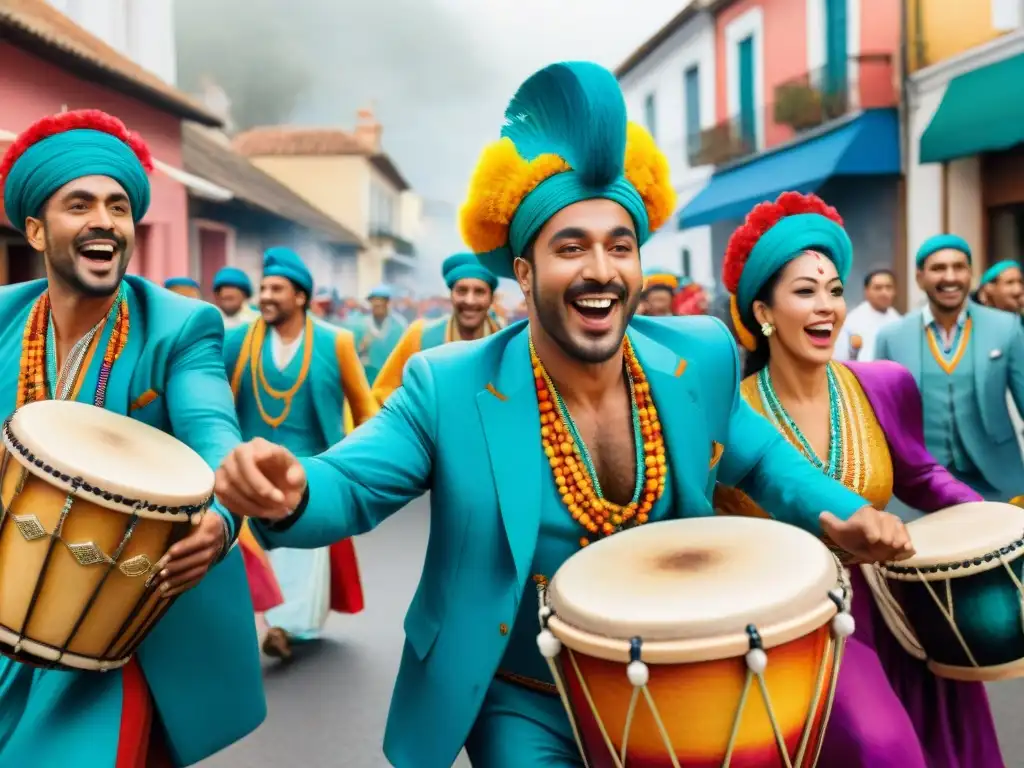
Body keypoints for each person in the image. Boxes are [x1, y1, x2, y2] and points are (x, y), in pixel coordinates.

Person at [213, 61, 912, 768]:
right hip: (523, 694)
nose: (600, 270)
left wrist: (836, 510)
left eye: (620, 246)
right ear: (522, 272)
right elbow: (352, 484)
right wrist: (293, 488)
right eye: (570, 247)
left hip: (675, 677)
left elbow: (759, 457)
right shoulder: (447, 386)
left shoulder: (699, 356)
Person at [0, 110, 264, 766]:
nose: (105, 221)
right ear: (35, 228)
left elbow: (215, 435)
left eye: (119, 206)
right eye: (79, 204)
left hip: (123, 620)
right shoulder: (4, 318)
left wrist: (222, 515)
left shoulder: (180, 326)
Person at [714, 191, 1002, 768]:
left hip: (899, 608)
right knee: (882, 747)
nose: (828, 307)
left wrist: (999, 527)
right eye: (804, 292)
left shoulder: (881, 385)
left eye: (834, 291)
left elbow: (923, 476)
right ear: (763, 313)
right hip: (792, 628)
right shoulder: (724, 416)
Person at [223, 247, 378, 660]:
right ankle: (272, 625)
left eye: (277, 288)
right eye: (264, 288)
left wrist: (360, 474)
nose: (267, 296)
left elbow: (365, 409)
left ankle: (283, 628)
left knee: (299, 559)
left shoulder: (335, 342)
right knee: (255, 555)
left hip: (310, 475)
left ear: (301, 297)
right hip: (250, 470)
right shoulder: (236, 341)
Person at [876, 235, 1024, 501]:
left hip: (998, 479)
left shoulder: (1006, 327)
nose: (950, 277)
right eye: (938, 268)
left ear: (970, 273)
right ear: (919, 277)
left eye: (959, 267)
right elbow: (881, 418)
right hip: (921, 484)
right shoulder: (891, 337)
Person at [371, 252, 500, 404]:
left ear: (491, 298)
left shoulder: (508, 343)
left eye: (479, 292)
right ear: (451, 295)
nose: (469, 301)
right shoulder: (420, 335)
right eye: (462, 291)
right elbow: (382, 393)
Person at [834, 267, 900, 361]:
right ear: (866, 291)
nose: (884, 292)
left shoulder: (898, 320)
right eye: (878, 288)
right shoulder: (852, 321)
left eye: (888, 287)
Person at [356, 283, 407, 384]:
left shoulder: (399, 326)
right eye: (374, 302)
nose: (377, 305)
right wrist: (361, 346)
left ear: (388, 303)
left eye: (381, 302)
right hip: (367, 379)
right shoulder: (361, 325)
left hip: (391, 380)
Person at [212, 265, 259, 330]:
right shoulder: (209, 319)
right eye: (225, 298)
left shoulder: (257, 320)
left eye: (231, 298)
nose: (228, 292)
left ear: (244, 295)